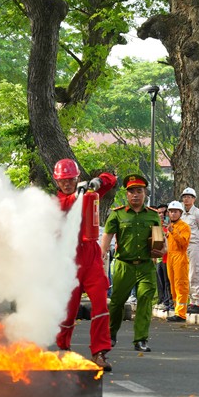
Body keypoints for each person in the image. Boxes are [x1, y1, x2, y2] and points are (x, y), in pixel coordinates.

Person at [51, 158, 116, 371]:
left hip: (91, 257)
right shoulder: (55, 203)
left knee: (100, 305)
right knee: (68, 310)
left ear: (76, 177)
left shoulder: (87, 194)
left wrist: (98, 181)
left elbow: (112, 179)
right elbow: (68, 202)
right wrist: (78, 193)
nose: (67, 183)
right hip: (69, 259)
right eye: (63, 180)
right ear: (56, 181)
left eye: (71, 179)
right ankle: (63, 348)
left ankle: (99, 353)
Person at [101, 174, 165, 353]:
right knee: (117, 302)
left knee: (145, 300)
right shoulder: (117, 214)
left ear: (145, 193)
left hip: (145, 265)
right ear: (127, 195)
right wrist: (102, 254)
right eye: (131, 192)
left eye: (139, 191)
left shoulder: (152, 215)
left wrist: (162, 248)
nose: (135, 195)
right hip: (124, 265)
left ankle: (141, 339)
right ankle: (111, 334)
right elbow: (107, 235)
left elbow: (159, 239)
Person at [178, 187, 199, 313]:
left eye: (189, 196)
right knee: (184, 274)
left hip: (194, 245)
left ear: (194, 199)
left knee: (195, 273)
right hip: (182, 246)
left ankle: (197, 302)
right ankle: (189, 301)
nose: (186, 199)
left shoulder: (198, 214)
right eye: (184, 196)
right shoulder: (180, 213)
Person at [165, 200, 191, 322]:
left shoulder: (184, 226)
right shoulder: (170, 226)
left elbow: (183, 243)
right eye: (171, 212)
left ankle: (181, 313)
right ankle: (177, 310)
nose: (173, 214)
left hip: (180, 257)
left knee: (181, 284)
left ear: (180, 213)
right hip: (170, 257)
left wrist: (173, 232)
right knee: (173, 285)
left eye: (175, 212)